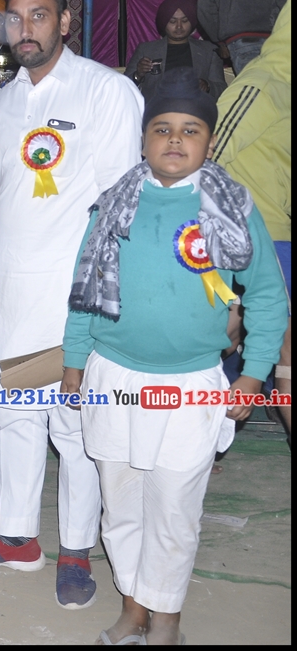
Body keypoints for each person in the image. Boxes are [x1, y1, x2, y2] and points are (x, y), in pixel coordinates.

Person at [63, 66, 287, 644]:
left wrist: (254, 375)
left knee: (174, 507)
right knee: (121, 506)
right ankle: (134, 609)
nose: (175, 140)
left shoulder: (234, 209)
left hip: (191, 386)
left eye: (191, 130)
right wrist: (73, 364)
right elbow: (84, 290)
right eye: (162, 129)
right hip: (113, 378)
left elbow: (267, 296)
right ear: (143, 139)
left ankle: (167, 619)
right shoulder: (114, 205)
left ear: (209, 141)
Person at [0, 0, 143, 610]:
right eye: (15, 18)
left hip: (69, 298)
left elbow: (121, 201)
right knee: (14, 417)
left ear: (65, 22)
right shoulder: (5, 100)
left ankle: (76, 550)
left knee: (74, 426)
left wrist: (103, 298)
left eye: (38, 15)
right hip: (6, 292)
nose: (24, 28)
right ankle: (17, 538)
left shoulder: (105, 90)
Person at [213, 0, 291, 437]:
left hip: (279, 233)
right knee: (269, 342)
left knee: (238, 339)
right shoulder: (261, 82)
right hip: (247, 233)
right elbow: (209, 154)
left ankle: (204, 436)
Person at [128, 0, 227, 100]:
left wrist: (207, 86)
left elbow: (222, 89)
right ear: (164, 22)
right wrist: (138, 74)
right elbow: (123, 86)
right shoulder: (146, 50)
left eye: (184, 21)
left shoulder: (209, 50)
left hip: (195, 108)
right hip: (156, 108)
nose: (179, 26)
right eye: (172, 21)